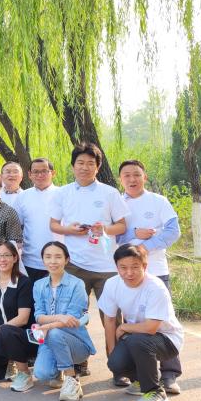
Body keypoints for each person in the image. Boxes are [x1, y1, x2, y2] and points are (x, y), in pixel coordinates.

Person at [49, 141, 129, 376]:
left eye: (90, 163)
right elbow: (53, 224)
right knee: (73, 317)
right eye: (80, 163)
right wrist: (71, 230)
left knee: (112, 318)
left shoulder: (110, 193)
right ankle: (78, 362)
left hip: (106, 267)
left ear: (98, 166)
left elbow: (122, 225)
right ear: (73, 165)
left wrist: (104, 229)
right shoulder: (63, 193)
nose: (84, 167)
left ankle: (119, 367)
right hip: (74, 265)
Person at [118, 158, 183, 394]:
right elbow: (111, 236)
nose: (132, 179)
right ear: (120, 179)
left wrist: (144, 248)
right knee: (132, 321)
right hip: (127, 275)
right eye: (127, 175)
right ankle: (137, 375)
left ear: (144, 177)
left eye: (136, 174)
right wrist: (134, 233)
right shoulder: (117, 204)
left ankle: (169, 374)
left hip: (156, 269)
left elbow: (173, 231)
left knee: (163, 321)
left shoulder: (158, 201)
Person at [99, 243, 184, 401]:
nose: (129, 273)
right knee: (116, 363)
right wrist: (113, 352)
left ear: (145, 266)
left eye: (135, 267)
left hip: (167, 340)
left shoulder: (155, 287)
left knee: (137, 341)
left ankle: (155, 392)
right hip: (138, 336)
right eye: (123, 267)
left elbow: (151, 328)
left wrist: (124, 327)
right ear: (116, 267)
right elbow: (109, 320)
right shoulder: (112, 284)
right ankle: (139, 380)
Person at [12, 241, 96, 401]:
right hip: (50, 340)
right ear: (43, 260)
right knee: (42, 374)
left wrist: (49, 325)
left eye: (58, 257)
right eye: (48, 257)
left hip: (76, 343)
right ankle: (58, 372)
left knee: (55, 332)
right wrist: (60, 317)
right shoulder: (38, 285)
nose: (52, 261)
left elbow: (71, 319)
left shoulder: (77, 284)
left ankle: (72, 379)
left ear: (67, 259)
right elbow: (39, 316)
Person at [0, 242, 34, 381]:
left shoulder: (24, 282)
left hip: (23, 336)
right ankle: (9, 361)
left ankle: (24, 373)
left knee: (6, 331)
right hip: (2, 334)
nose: (2, 259)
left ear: (15, 258)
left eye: (6, 255)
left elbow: (23, 318)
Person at [14, 158, 60, 280]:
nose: (40, 175)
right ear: (29, 174)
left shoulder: (62, 194)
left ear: (53, 173)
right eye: (35, 172)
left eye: (44, 171)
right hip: (30, 261)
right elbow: (16, 226)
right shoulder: (22, 196)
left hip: (58, 260)